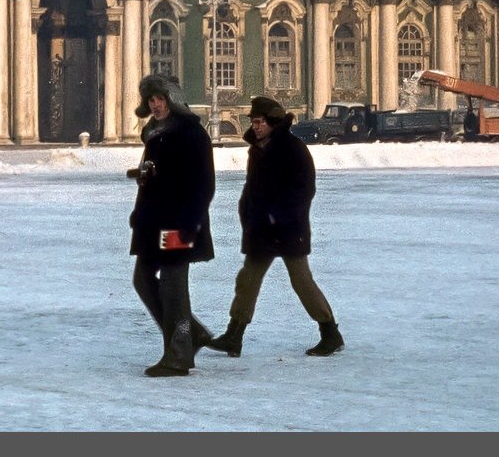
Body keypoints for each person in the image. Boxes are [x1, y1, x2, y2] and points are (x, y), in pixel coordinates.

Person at [207, 97, 345, 358]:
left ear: (273, 122)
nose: (256, 126)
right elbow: (253, 188)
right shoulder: (257, 148)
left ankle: (330, 332)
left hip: (288, 229)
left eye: (260, 122)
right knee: (247, 280)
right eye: (253, 122)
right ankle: (233, 336)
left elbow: (304, 190)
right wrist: (247, 213)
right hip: (261, 229)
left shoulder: (293, 148)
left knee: (301, 281)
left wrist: (276, 215)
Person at [128, 73, 217, 377]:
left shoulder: (190, 132)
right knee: (143, 279)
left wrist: (188, 223)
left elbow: (203, 184)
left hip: (179, 223)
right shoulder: (154, 132)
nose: (155, 105)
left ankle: (178, 356)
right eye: (151, 100)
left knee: (173, 287)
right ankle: (191, 332)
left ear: (172, 100)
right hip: (153, 223)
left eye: (160, 99)